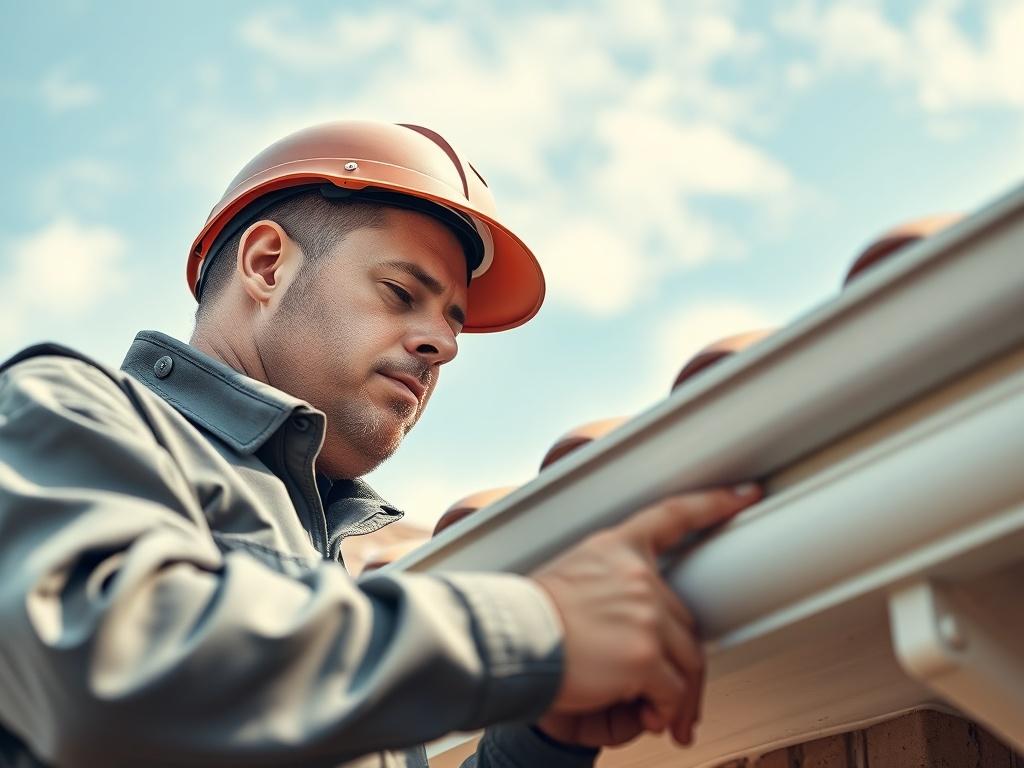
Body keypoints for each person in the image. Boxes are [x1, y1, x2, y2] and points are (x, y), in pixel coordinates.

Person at [0, 120, 762, 768]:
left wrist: (543, 739)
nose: (443, 344)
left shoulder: (349, 583)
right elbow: (106, 671)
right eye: (402, 293)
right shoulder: (62, 410)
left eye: (453, 321)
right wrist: (536, 627)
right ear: (267, 265)